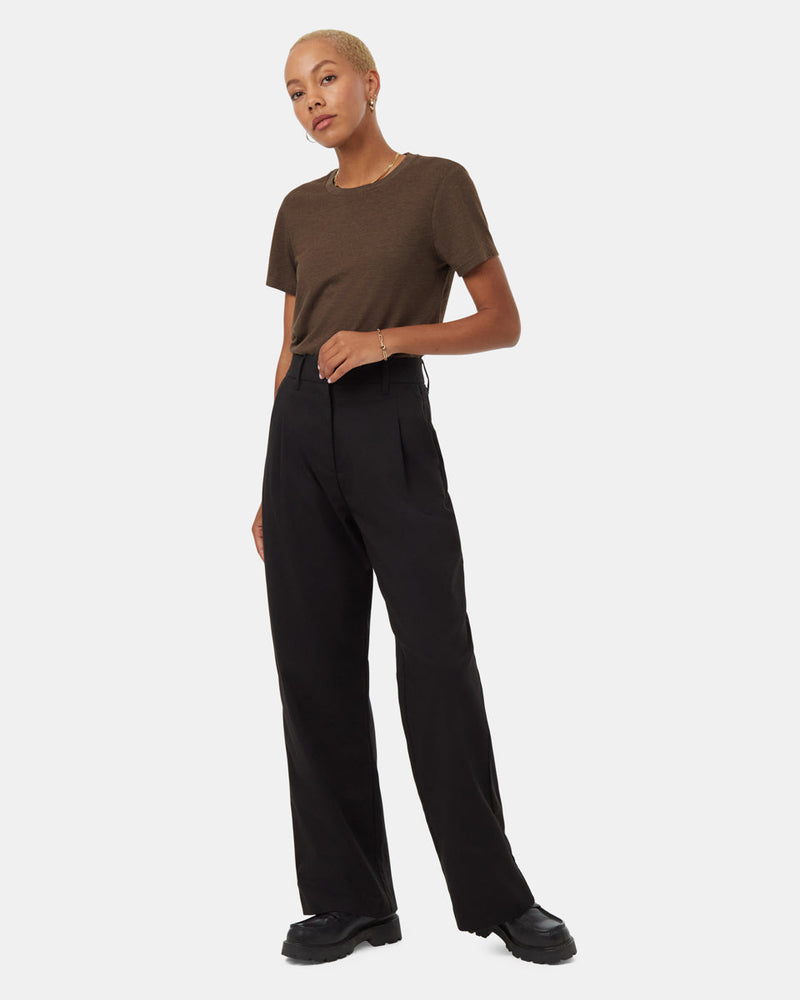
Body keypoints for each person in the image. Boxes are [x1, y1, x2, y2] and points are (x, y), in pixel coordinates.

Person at [252, 28, 577, 966]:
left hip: (388, 418)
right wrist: (268, 474)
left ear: (370, 81)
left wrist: (390, 340)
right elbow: (289, 341)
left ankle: (498, 897)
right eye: (294, 92)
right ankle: (349, 902)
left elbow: (502, 322)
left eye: (326, 78)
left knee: (436, 660)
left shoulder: (437, 185)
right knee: (313, 670)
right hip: (299, 432)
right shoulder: (297, 209)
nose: (312, 100)